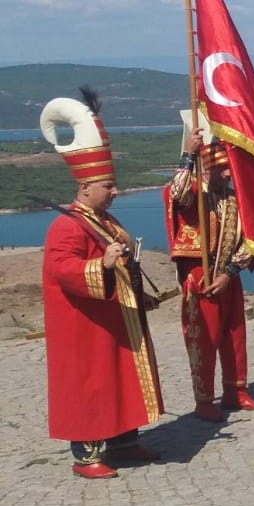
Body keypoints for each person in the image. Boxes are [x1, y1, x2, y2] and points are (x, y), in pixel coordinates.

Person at [39, 90, 165, 478]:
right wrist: (101, 264)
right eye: (108, 186)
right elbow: (63, 268)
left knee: (122, 374)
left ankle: (125, 439)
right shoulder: (66, 226)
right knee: (91, 382)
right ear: (85, 187)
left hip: (116, 315)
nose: (115, 191)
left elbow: (123, 265)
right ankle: (87, 455)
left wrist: (137, 292)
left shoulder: (106, 222)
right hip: (85, 323)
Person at [164, 123, 254, 421]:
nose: (228, 175)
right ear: (208, 171)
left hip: (227, 277)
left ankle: (237, 391)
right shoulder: (195, 194)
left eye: (229, 170)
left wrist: (230, 272)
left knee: (235, 336)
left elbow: (251, 239)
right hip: (200, 278)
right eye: (223, 171)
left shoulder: (235, 200)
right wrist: (187, 154)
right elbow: (176, 192)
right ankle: (204, 400)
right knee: (203, 340)